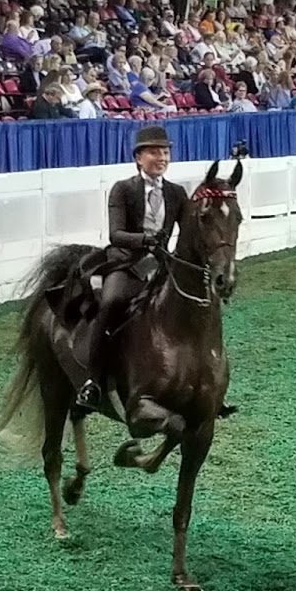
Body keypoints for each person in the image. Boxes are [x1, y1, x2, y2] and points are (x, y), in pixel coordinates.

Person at [74, 125, 188, 412]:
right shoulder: (123, 189)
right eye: (155, 152)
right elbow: (116, 234)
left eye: (165, 152)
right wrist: (145, 240)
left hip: (161, 264)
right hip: (127, 263)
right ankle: (92, 381)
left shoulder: (176, 193)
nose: (162, 158)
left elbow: (189, 230)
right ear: (139, 158)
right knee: (111, 302)